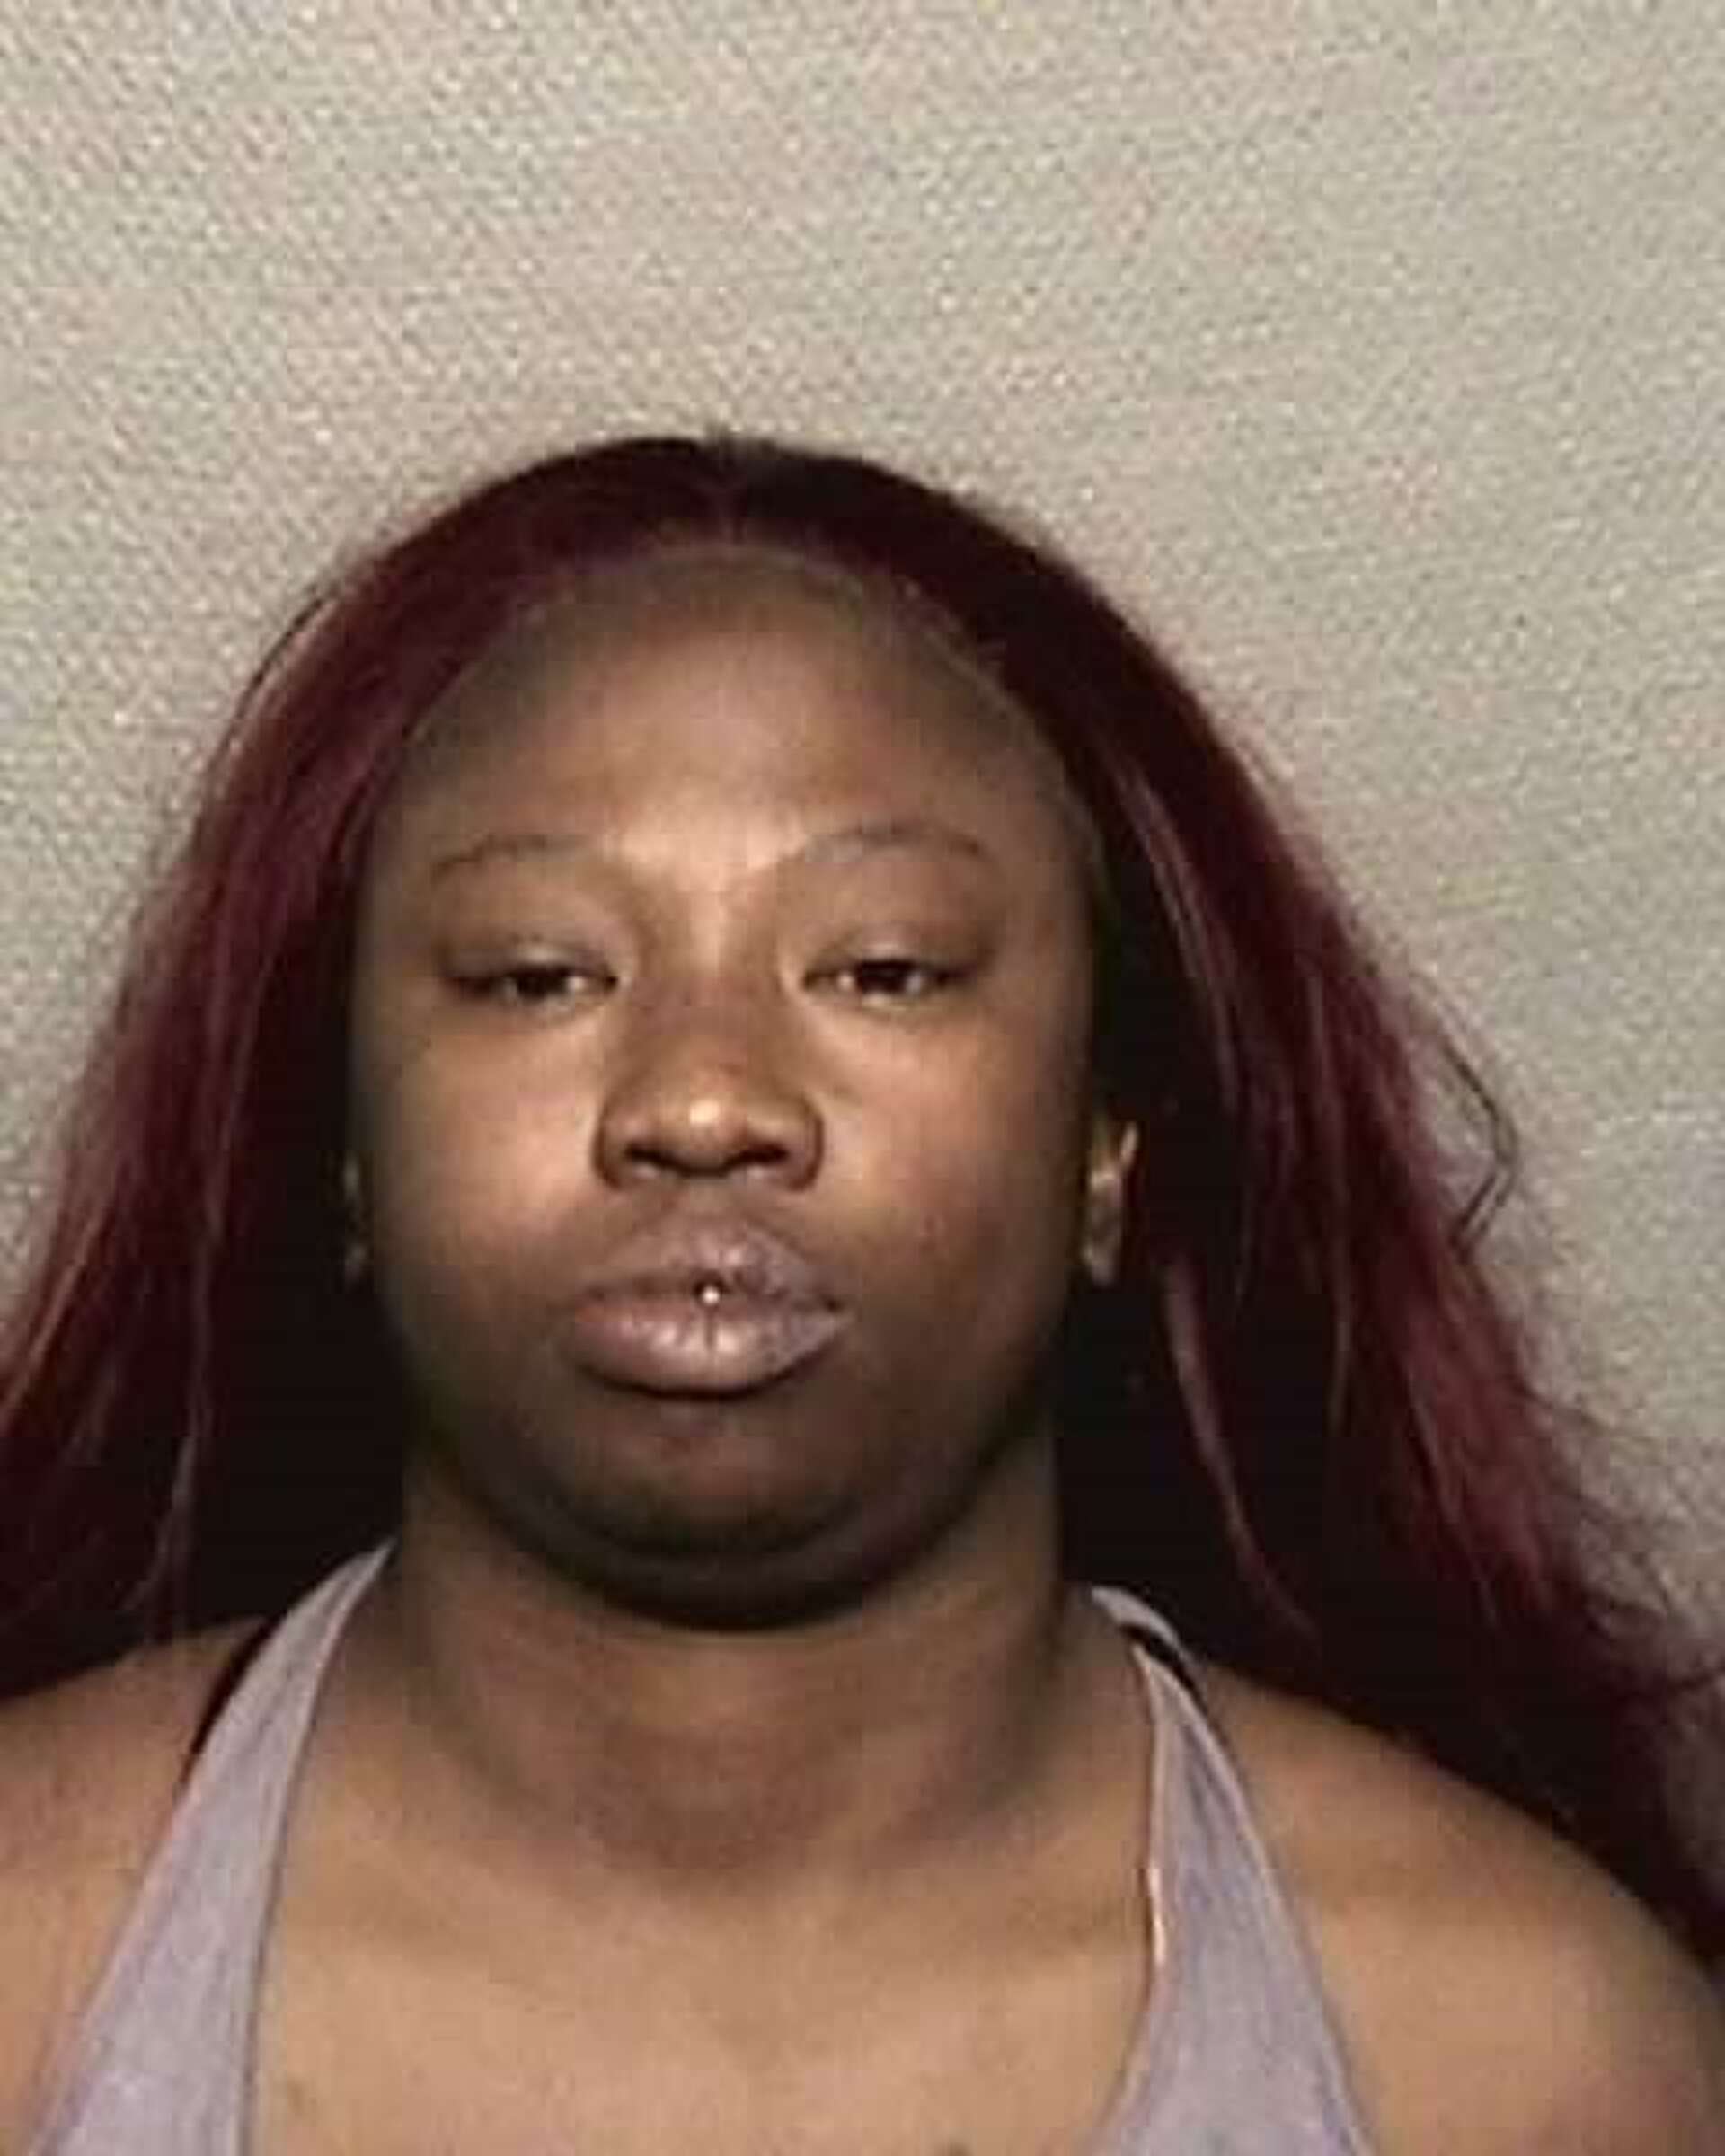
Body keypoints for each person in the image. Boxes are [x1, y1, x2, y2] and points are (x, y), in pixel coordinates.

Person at [0, 434, 1719, 2151]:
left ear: (1109, 1142)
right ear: (342, 1145)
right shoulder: (32, 1962)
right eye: (535, 975)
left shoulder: (1519, 2060)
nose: (702, 1104)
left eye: (886, 970)